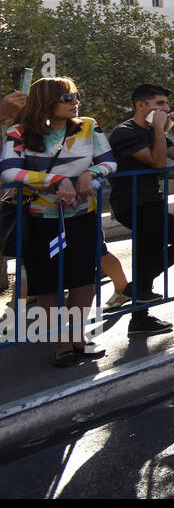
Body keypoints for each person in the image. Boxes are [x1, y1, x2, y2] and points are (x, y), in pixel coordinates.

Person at [1, 78, 117, 365]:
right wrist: (56, 180)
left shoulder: (88, 126)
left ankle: (78, 337)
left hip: (82, 216)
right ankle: (60, 342)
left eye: (75, 95)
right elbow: (9, 172)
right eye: (66, 97)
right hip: (41, 220)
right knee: (48, 283)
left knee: (83, 279)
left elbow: (109, 162)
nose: (74, 101)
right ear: (46, 101)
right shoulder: (20, 132)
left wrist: (92, 173)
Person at [108, 83, 174, 336]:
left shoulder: (157, 132)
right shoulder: (125, 132)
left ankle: (139, 319)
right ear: (141, 106)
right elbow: (158, 162)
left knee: (148, 257)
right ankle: (134, 289)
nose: (166, 109)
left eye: (167, 105)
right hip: (132, 203)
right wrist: (159, 129)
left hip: (150, 202)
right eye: (159, 104)